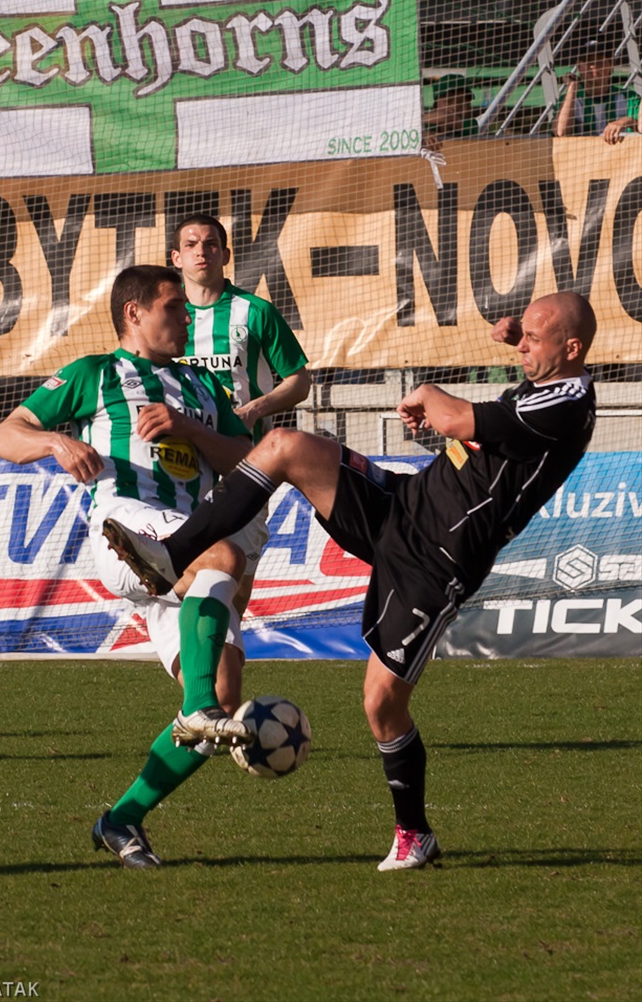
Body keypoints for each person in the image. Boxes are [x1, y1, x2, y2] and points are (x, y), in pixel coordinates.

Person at [102, 291, 597, 871]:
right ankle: (171, 554)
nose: (524, 350)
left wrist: (429, 393)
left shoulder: (568, 401)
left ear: (572, 349)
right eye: (527, 339)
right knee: (284, 445)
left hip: (437, 560)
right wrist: (522, 335)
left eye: (538, 342)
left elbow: (459, 417)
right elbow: (516, 382)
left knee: (381, 706)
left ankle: (415, 833)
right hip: (401, 502)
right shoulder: (551, 372)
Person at [0, 264, 256, 869]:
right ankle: (198, 707)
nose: (187, 318)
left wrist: (188, 427)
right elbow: (6, 435)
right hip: (126, 526)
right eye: (173, 308)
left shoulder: (201, 388)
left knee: (221, 694)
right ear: (134, 313)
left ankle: (121, 820)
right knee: (225, 557)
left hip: (186, 543)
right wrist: (56, 442)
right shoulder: (94, 373)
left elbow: (248, 457)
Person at [171, 213, 310, 617]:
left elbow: (299, 381)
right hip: (180, 466)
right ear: (176, 258)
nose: (202, 252)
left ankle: (218, 669)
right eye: (192, 245)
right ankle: (201, 669)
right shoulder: (164, 315)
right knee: (186, 572)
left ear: (225, 254)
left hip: (245, 468)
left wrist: (255, 409)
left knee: (236, 586)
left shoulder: (254, 312)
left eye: (211, 244)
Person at [552, 32, 639, 141]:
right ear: (579, 66)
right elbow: (561, 132)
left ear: (611, 64)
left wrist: (626, 121)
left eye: (599, 60)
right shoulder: (570, 100)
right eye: (587, 61)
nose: (593, 66)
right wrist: (572, 88)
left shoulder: (629, 98)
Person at [423, 74, 480, 149]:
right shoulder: (426, 127)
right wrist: (424, 134)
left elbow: (450, 118)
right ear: (435, 106)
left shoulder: (472, 125)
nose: (455, 107)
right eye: (449, 101)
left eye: (461, 101)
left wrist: (421, 131)